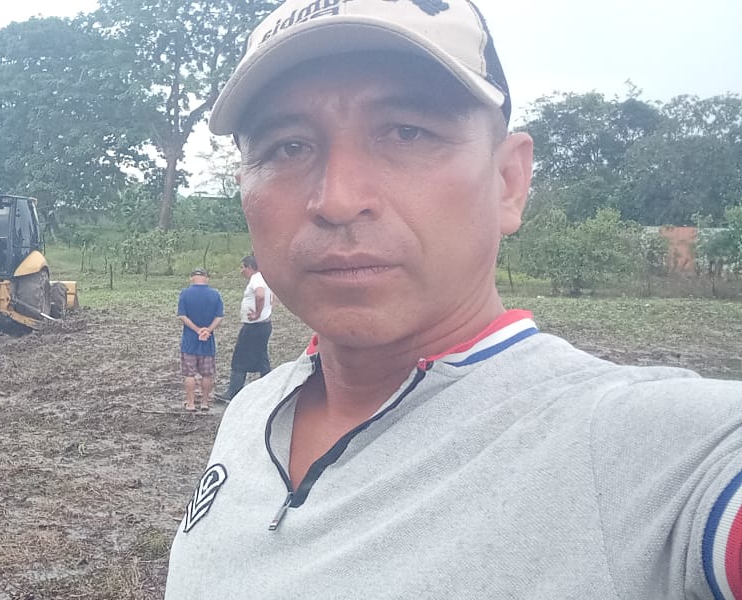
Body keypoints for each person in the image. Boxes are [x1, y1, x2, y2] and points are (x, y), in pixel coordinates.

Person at [165, 1, 742, 599]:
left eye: (407, 132)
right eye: (288, 147)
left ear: (508, 182)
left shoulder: (643, 450)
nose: (336, 200)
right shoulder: (251, 410)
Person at [216, 255, 273, 403]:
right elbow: (270, 297)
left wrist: (257, 313)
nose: (241, 271)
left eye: (242, 267)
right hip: (264, 325)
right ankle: (269, 388)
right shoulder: (265, 278)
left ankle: (233, 391)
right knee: (262, 358)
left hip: (254, 325)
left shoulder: (256, 279)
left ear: (250, 267)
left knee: (240, 358)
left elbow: (260, 295)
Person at [177, 268, 224, 413]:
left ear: (191, 278)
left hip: (189, 341)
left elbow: (182, 315)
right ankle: (204, 402)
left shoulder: (185, 294)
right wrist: (207, 330)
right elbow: (219, 316)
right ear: (207, 278)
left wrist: (197, 330)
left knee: (189, 374)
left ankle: (190, 403)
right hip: (207, 341)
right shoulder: (215, 294)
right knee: (207, 374)